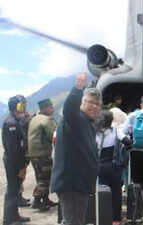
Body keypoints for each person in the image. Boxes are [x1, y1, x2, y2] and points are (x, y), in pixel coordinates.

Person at [50, 73, 101, 225]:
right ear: (81, 102)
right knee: (72, 222)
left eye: (97, 104)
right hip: (72, 183)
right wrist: (77, 89)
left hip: (80, 184)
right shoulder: (75, 118)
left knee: (76, 220)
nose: (94, 106)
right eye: (90, 102)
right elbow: (69, 110)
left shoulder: (88, 123)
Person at [95, 110, 131, 225]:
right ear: (110, 120)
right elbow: (128, 142)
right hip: (114, 166)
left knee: (101, 192)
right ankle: (116, 219)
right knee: (116, 193)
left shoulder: (95, 132)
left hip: (100, 167)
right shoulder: (116, 130)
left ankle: (103, 216)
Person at [2, 95, 31, 225]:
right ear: (17, 107)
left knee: (15, 189)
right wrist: (21, 167)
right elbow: (14, 150)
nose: (24, 108)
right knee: (12, 190)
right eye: (22, 105)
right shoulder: (11, 123)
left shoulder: (15, 120)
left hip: (15, 161)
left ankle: (15, 215)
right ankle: (8, 219)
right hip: (13, 163)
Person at [26, 98, 57, 211]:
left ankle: (45, 199)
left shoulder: (34, 119)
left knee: (40, 177)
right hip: (43, 154)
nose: (52, 109)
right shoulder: (46, 120)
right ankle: (37, 201)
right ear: (45, 108)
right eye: (51, 107)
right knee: (45, 178)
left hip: (34, 155)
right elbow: (53, 135)